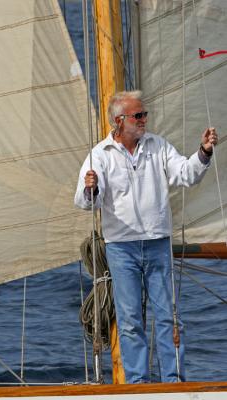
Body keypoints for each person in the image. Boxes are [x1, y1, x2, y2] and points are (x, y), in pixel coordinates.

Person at [74, 90, 218, 383]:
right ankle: (137, 382)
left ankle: (173, 379)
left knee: (168, 317)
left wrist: (203, 152)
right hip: (120, 247)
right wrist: (91, 188)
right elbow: (85, 202)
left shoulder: (158, 146)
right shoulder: (99, 155)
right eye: (137, 116)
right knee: (129, 322)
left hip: (157, 242)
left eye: (144, 114)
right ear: (119, 120)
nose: (143, 120)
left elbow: (185, 175)